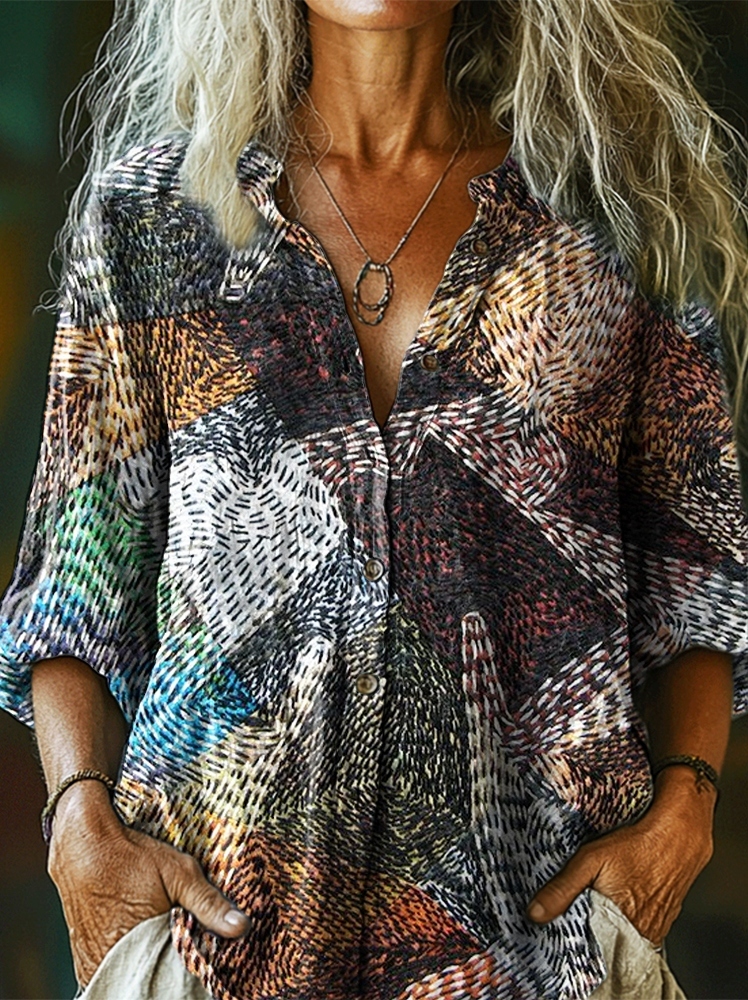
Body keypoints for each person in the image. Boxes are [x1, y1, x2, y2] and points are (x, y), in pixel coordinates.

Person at [1, 0, 747, 997]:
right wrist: (79, 822)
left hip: (539, 954)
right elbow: (75, 590)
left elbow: (696, 582)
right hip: (214, 948)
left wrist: (687, 806)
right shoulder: (154, 216)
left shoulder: (613, 218)